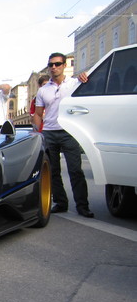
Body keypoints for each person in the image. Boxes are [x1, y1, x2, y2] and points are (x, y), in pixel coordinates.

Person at [33, 52, 93, 218]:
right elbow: (38, 113)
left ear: (64, 66)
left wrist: (85, 77)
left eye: (58, 64)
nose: (54, 67)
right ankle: (61, 203)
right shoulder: (43, 90)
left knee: (75, 170)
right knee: (52, 172)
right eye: (51, 64)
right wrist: (40, 132)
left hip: (69, 132)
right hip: (49, 133)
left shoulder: (76, 83)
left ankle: (82, 206)